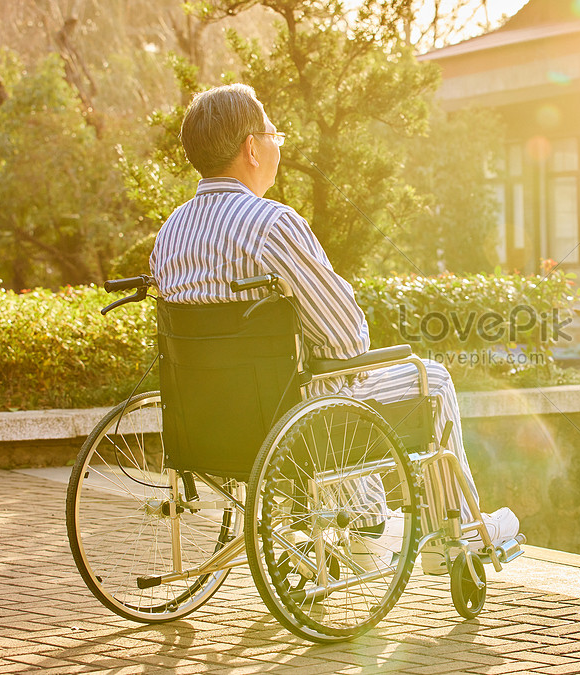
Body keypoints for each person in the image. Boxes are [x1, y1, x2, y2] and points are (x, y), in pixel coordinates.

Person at [149, 84, 518, 572]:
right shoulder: (270, 224)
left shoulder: (171, 231)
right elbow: (346, 337)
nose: (278, 146)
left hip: (205, 423)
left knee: (327, 384)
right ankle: (452, 534)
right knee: (429, 378)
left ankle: (364, 526)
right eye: (273, 134)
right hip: (286, 415)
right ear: (251, 148)